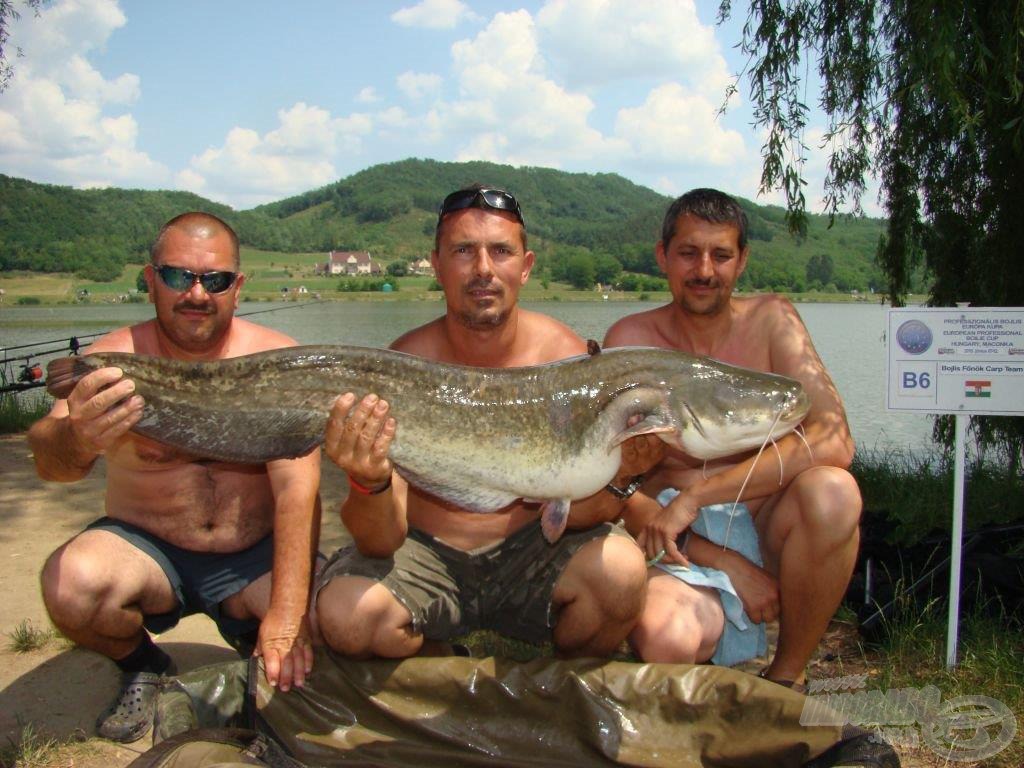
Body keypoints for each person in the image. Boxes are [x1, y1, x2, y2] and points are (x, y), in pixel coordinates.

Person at [315, 186, 650, 659]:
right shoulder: (400, 366)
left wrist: (624, 475)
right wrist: (369, 483)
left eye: (500, 251)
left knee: (621, 575)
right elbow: (379, 540)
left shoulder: (568, 359)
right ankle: (442, 662)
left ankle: (558, 683)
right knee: (346, 616)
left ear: (526, 266)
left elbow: (579, 515)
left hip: (531, 552)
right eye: (463, 251)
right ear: (437, 265)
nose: (483, 270)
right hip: (426, 553)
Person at [27, 212, 321, 743]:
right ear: (149, 278)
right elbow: (49, 461)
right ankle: (143, 663)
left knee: (332, 616)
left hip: (254, 555)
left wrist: (285, 616)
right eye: (178, 276)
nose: (197, 294)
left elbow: (298, 490)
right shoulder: (111, 362)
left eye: (215, 280)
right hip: (151, 552)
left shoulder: (281, 360)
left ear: (238, 286)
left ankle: (255, 639)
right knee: (70, 587)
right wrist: (79, 440)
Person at [604, 188, 860, 690]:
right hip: (673, 538)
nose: (705, 270)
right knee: (666, 639)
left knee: (834, 492)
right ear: (663, 256)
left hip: (765, 517)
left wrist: (701, 495)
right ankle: (699, 655)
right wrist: (721, 558)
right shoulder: (630, 339)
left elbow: (835, 441)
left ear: (741, 260)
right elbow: (615, 485)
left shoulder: (773, 320)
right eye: (688, 253)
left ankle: (786, 678)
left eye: (720, 254)